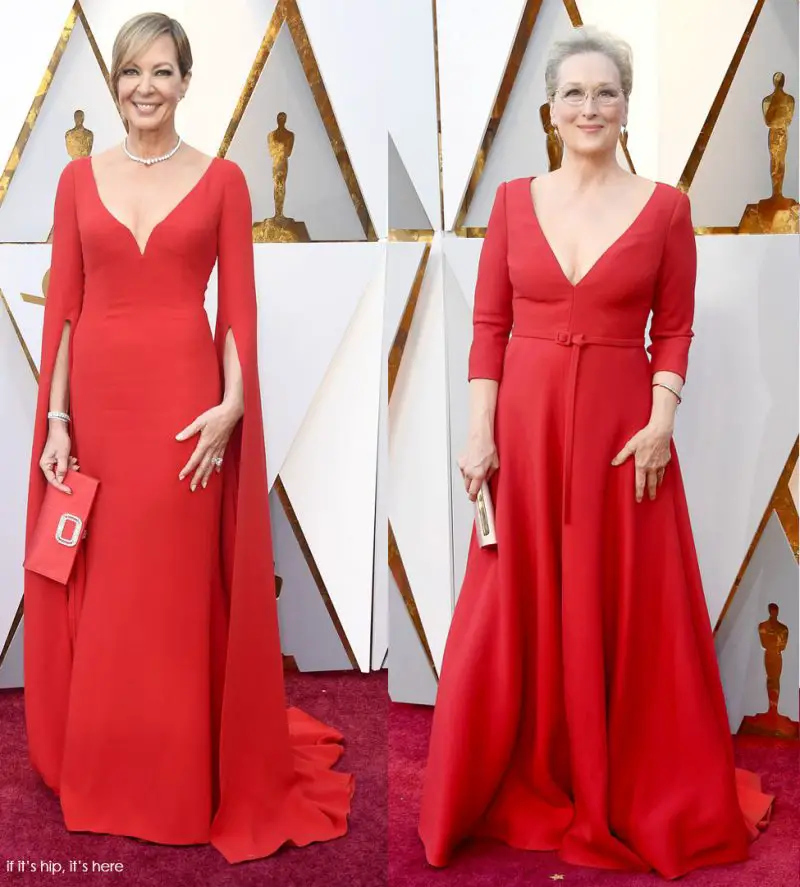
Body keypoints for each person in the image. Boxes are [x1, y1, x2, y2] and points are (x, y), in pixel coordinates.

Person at [418, 26, 773, 880]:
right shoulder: (510, 203)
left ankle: (625, 777)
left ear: (625, 105)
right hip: (527, 437)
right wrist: (479, 432)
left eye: (604, 93)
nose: (589, 107)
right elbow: (489, 328)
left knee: (625, 609)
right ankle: (520, 774)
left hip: (626, 440)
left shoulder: (666, 208)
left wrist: (662, 420)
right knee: (512, 610)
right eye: (573, 94)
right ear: (548, 109)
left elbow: (675, 327)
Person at [24, 12, 353, 862]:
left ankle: (175, 778)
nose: (146, 87)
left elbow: (236, 310)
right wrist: (56, 420)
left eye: (163, 72)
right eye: (134, 71)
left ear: (185, 81)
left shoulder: (225, 180)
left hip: (183, 409)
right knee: (105, 587)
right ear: (116, 83)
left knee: (167, 588)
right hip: (96, 407)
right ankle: (103, 767)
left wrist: (233, 404)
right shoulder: (73, 180)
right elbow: (64, 309)